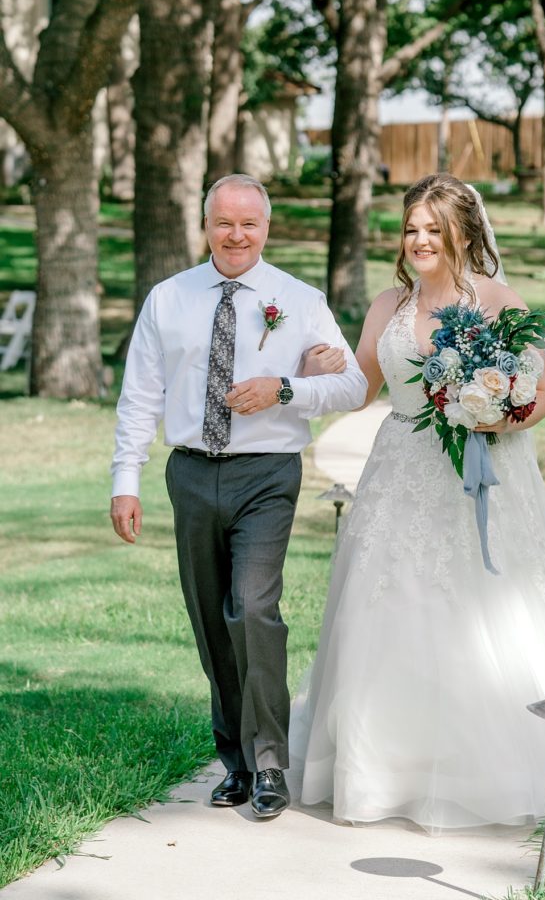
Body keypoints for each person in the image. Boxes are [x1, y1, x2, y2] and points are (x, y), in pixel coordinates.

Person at [290, 172, 545, 833]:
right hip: (398, 473)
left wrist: (492, 414)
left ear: (462, 234)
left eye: (432, 230)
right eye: (410, 229)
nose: (419, 240)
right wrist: (311, 366)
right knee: (383, 607)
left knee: (476, 611)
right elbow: (361, 387)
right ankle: (381, 769)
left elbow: (541, 398)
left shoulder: (498, 300)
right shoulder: (388, 305)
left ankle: (487, 766)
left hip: (478, 476)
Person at [110, 173, 367, 820]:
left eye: (248, 223)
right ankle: (236, 763)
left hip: (266, 475)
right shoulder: (168, 299)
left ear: (266, 228)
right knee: (209, 619)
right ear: (206, 225)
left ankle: (271, 763)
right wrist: (125, 479)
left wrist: (286, 388)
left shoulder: (299, 300)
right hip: (191, 473)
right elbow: (140, 394)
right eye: (224, 222)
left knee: (252, 609)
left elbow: (351, 385)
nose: (236, 235)